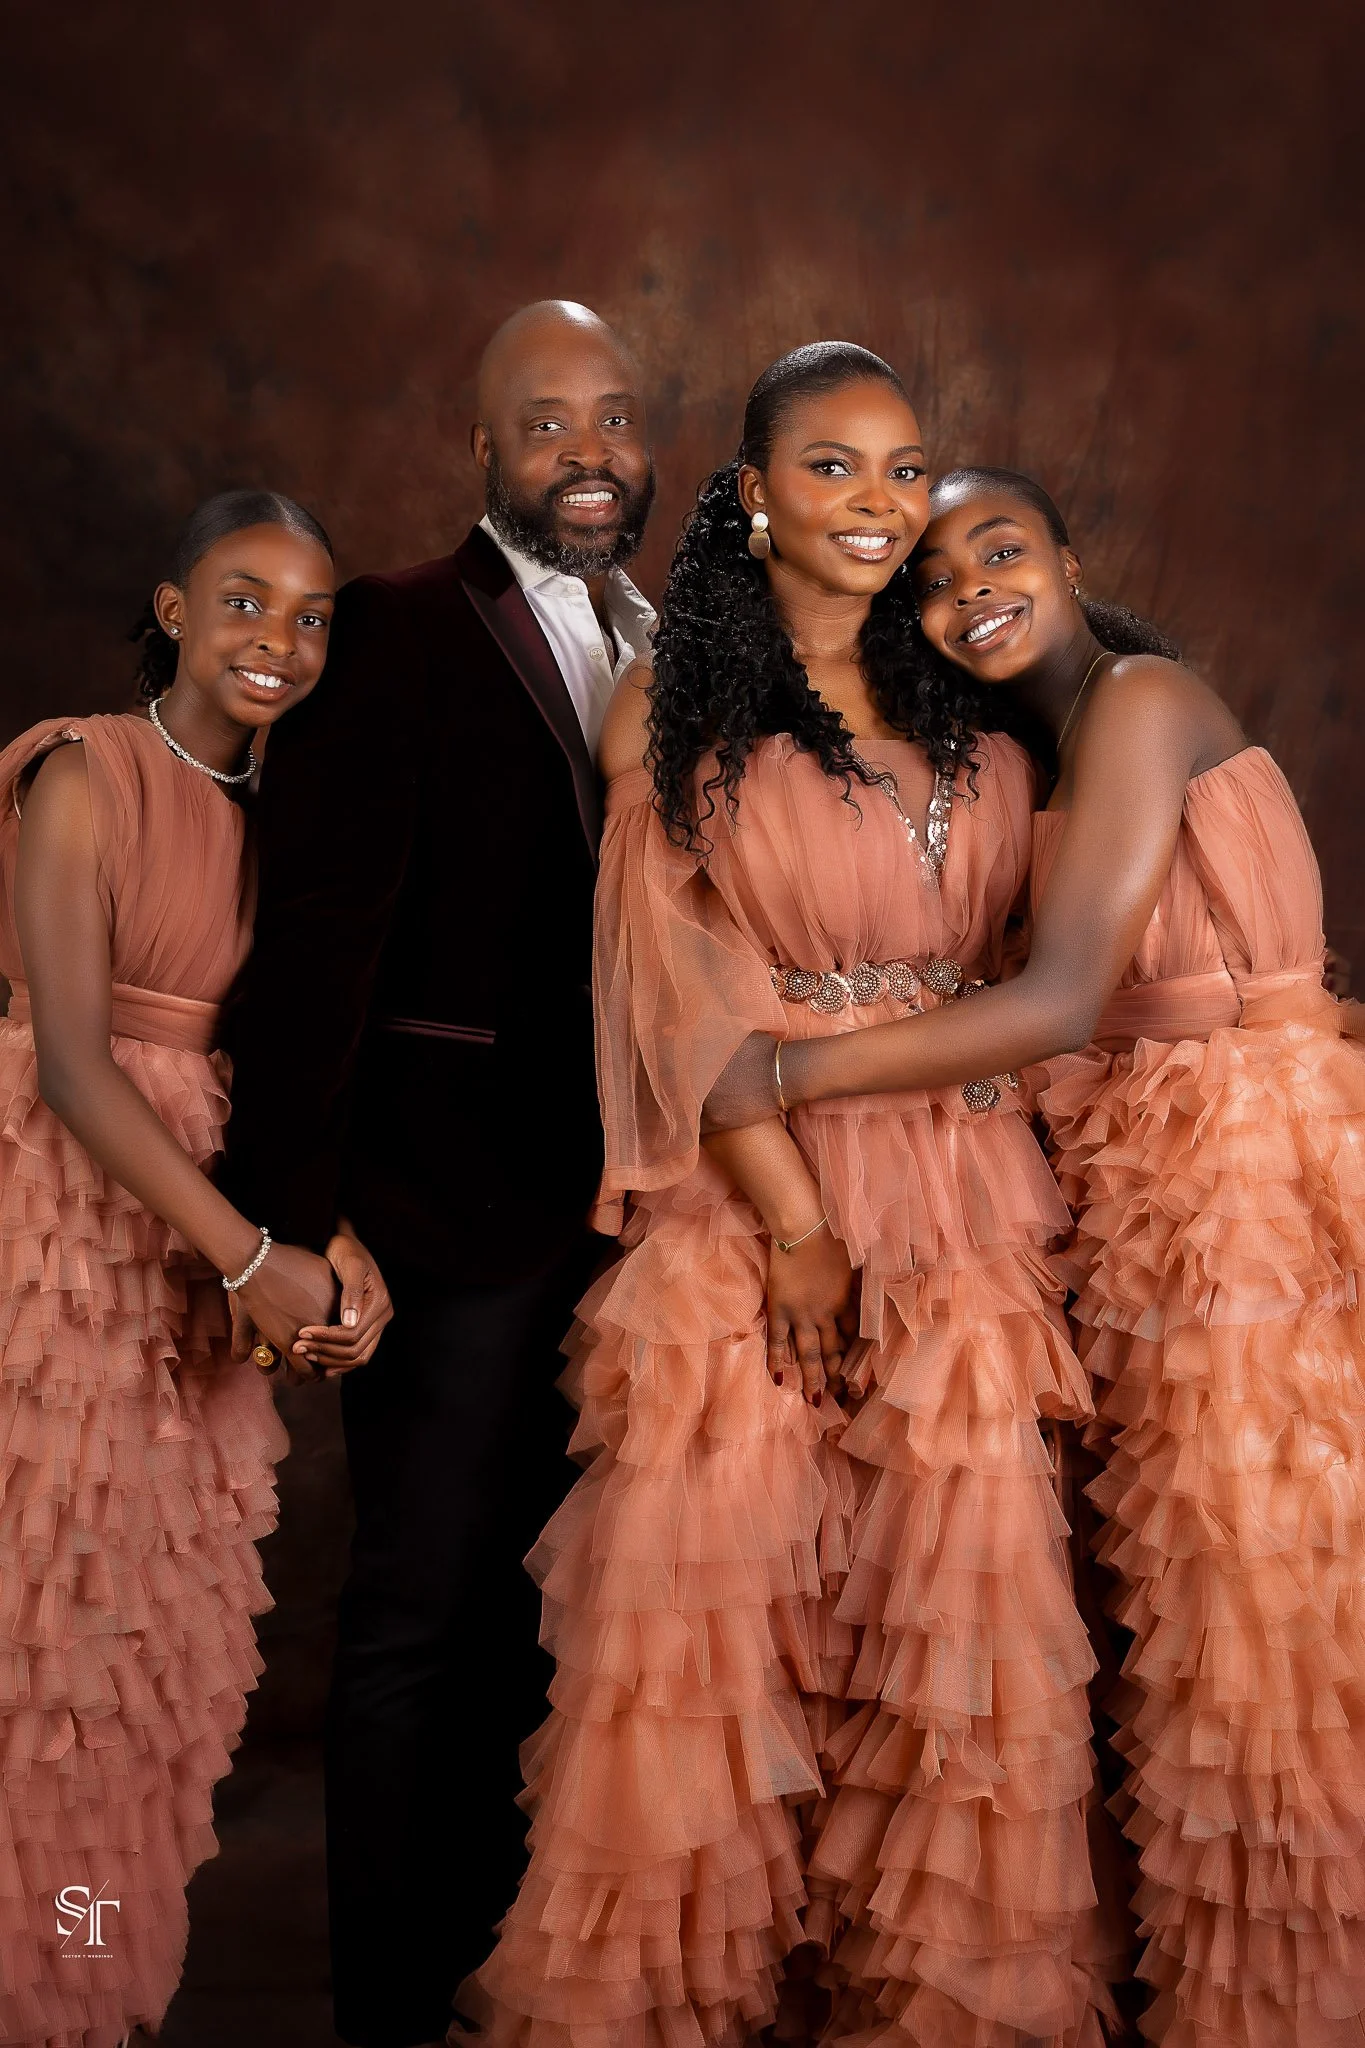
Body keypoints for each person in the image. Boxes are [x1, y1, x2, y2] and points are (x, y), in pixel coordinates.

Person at [469, 350, 1112, 2047]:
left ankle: (925, 2004)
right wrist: (804, 1235)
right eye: (836, 470)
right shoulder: (673, 704)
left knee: (950, 1606)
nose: (884, 507)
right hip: (760, 1199)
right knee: (716, 1621)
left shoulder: (975, 701)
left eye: (908, 473)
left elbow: (1053, 958)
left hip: (970, 1199)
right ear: (753, 492)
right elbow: (674, 997)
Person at [705, 465, 1365, 2044]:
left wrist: (777, 1077)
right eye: (932, 576)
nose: (970, 587)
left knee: (1251, 1590)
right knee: (1174, 1594)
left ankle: (1285, 2005)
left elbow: (1065, 996)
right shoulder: (1033, 757)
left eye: (1001, 548)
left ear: (1068, 557)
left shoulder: (1138, 701)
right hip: (1154, 1159)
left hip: (1245, 1172)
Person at [218, 301, 657, 2048]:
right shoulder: (397, 630)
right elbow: (320, 938)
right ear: (485, 450)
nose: (589, 452)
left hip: (635, 1218)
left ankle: (509, 1990)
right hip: (441, 1207)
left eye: (615, 417)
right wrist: (294, 1213)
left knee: (558, 1624)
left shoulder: (676, 634)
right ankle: (388, 2014)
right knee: (419, 1613)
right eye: (548, 424)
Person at [0, 490, 389, 2048]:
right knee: (53, 1645)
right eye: (243, 602)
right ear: (171, 607)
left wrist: (319, 1241)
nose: (276, 643)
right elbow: (78, 1071)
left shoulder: (295, 815)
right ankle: (35, 1996)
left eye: (308, 620)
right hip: (65, 1238)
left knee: (146, 1657)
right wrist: (250, 1257)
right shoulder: (80, 771)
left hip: (213, 1238)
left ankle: (86, 1986)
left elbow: (294, 1063)